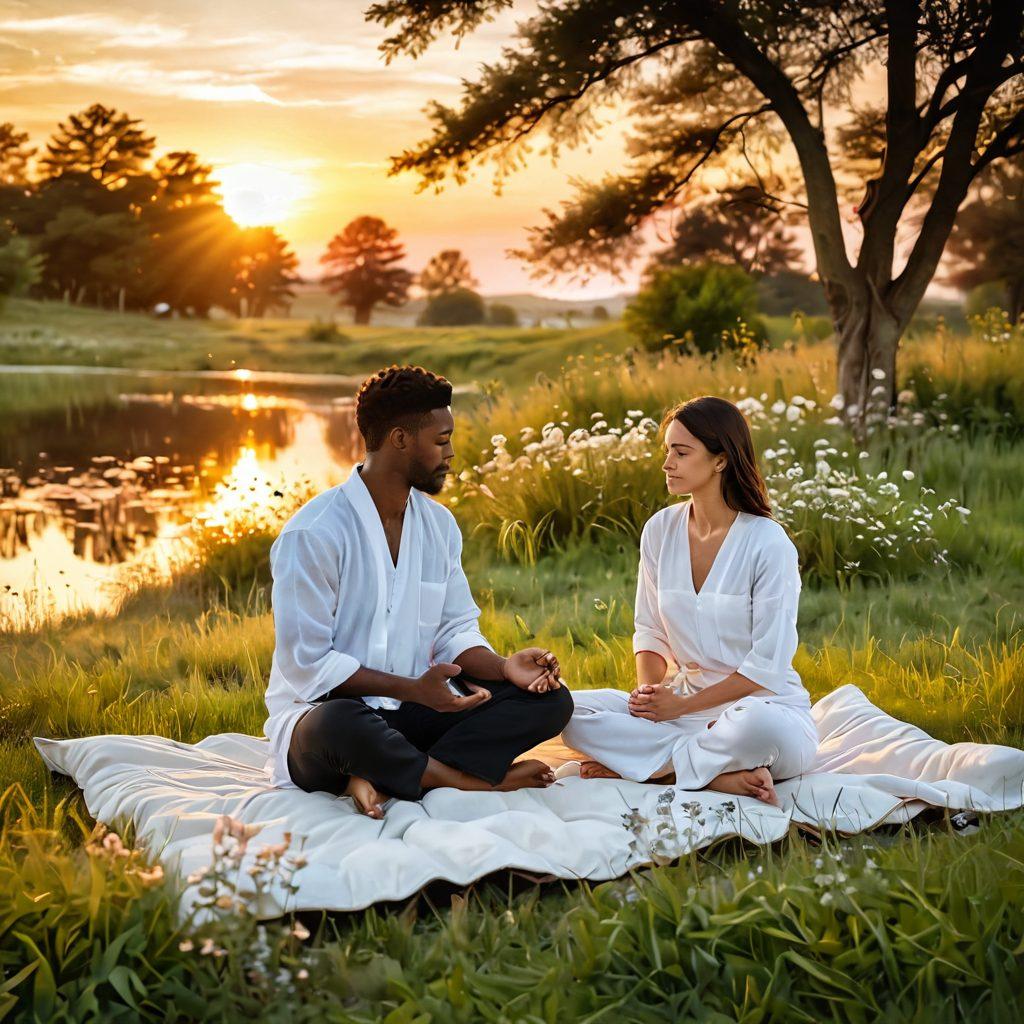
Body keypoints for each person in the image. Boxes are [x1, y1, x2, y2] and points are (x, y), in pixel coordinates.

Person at [263, 365, 573, 818]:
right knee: (338, 724)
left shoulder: (439, 526)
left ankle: (382, 773)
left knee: (551, 701)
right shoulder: (312, 534)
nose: (451, 452)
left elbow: (455, 631)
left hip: (414, 716)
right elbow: (307, 666)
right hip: (326, 723)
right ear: (400, 440)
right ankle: (465, 780)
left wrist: (506, 668)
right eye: (442, 439)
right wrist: (411, 689)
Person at [562, 396, 819, 807]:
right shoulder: (660, 530)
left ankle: (660, 771)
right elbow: (649, 630)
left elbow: (768, 665)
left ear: (720, 460)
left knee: (755, 726)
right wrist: (651, 696)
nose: (668, 463)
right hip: (681, 713)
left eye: (681, 452)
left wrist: (680, 706)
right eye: (667, 451)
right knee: (567, 711)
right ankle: (713, 773)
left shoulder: (767, 543)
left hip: (762, 711)